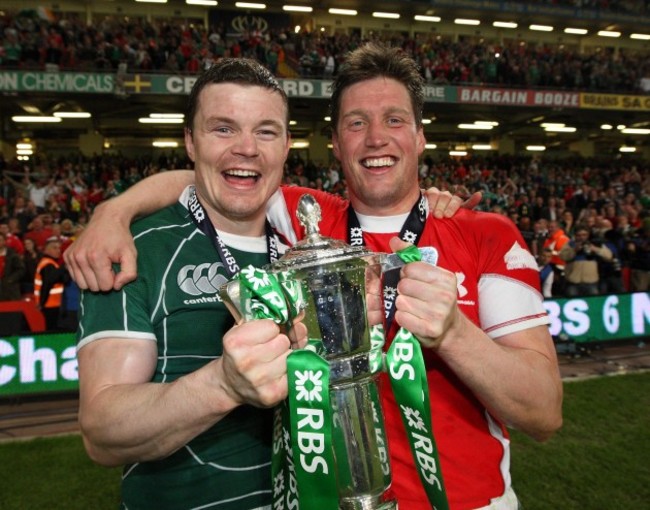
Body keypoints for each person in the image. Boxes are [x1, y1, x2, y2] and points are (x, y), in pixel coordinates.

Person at [66, 44, 562, 510]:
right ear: (334, 142)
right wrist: (115, 210)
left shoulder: (487, 235)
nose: (376, 138)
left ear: (420, 136)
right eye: (356, 122)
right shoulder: (306, 219)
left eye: (395, 119)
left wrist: (455, 333)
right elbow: (218, 177)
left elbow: (543, 413)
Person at [75, 59, 312, 510]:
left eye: (266, 131)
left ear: (286, 146)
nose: (246, 148)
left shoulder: (304, 244)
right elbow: (102, 432)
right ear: (189, 141)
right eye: (223, 129)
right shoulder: (134, 248)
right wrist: (222, 385)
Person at [559, 225, 612, 297]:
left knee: (593, 303)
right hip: (573, 282)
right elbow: (562, 256)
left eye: (584, 235)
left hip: (591, 283)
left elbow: (609, 256)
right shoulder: (570, 244)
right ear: (575, 235)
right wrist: (574, 250)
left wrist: (595, 249)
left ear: (588, 235)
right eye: (579, 235)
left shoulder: (595, 243)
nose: (581, 237)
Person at [34, 237, 69, 329]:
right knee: (52, 330)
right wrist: (42, 303)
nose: (58, 250)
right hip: (50, 305)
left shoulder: (51, 263)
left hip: (53, 304)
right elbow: (48, 283)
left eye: (59, 248)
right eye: (54, 248)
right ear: (46, 250)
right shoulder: (48, 264)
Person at [0, 231, 25, 300]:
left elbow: (21, 270)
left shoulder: (12, 255)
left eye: (0, 240)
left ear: (5, 241)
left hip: (10, 290)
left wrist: (11, 279)